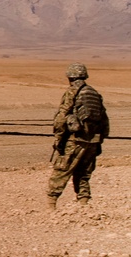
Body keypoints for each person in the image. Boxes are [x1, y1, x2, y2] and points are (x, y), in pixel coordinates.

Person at [47, 62, 109, 209]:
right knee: (84, 173)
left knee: (62, 170)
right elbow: (104, 119)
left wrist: (59, 138)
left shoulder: (72, 92)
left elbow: (62, 116)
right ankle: (84, 203)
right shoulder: (93, 93)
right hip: (92, 141)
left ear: (70, 77)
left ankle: (51, 205)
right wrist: (99, 140)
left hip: (75, 139)